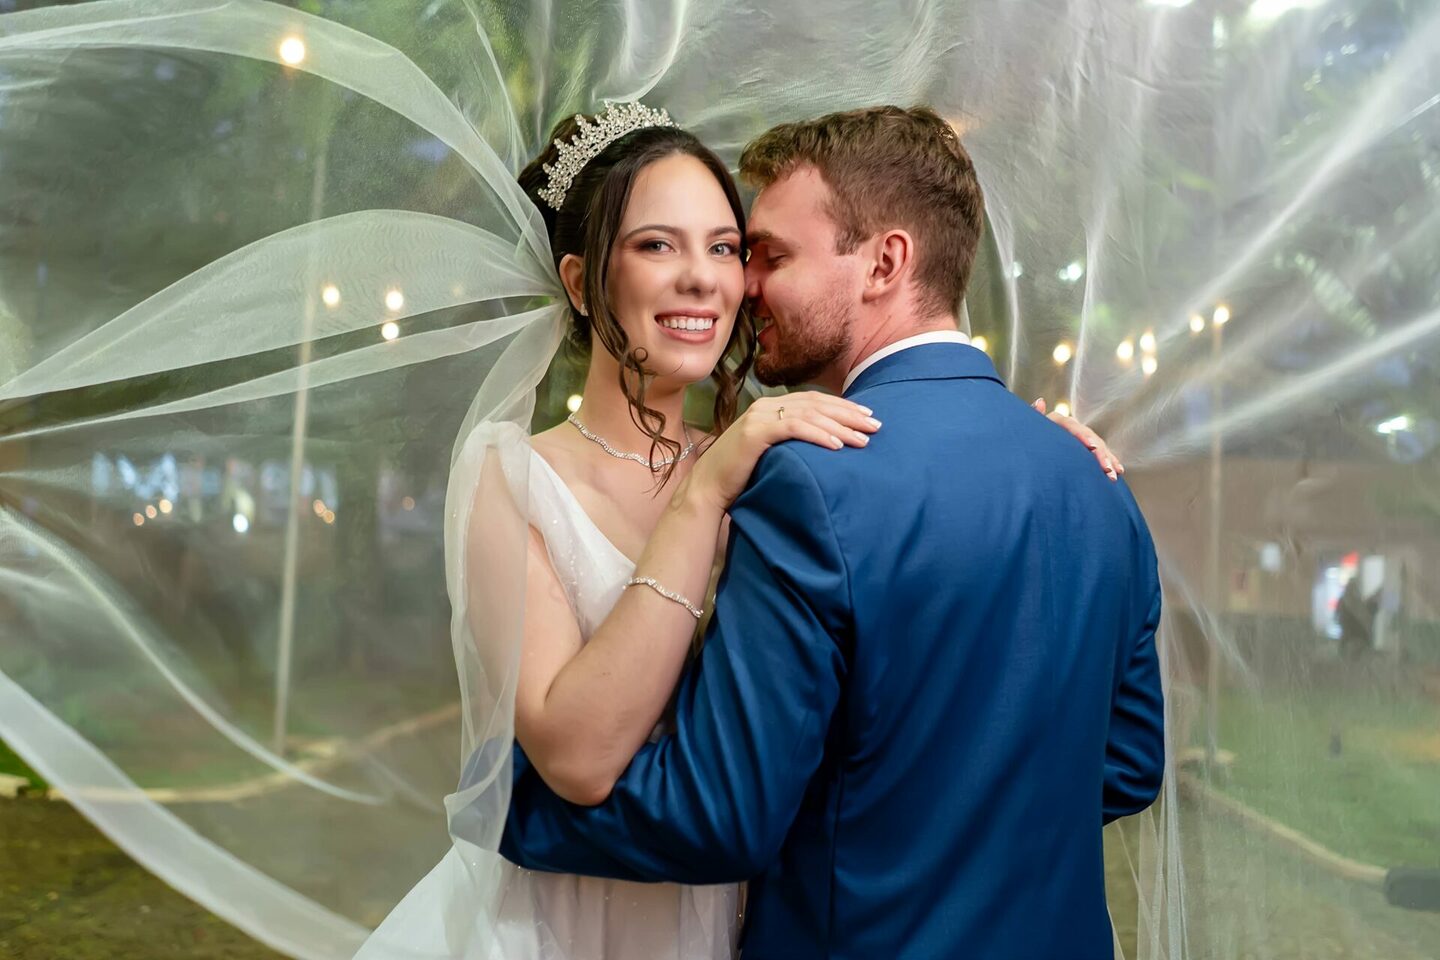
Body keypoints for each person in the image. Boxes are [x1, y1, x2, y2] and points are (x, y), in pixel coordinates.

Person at [358, 103, 1121, 959]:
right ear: (580, 282)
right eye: (658, 244)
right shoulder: (517, 475)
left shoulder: (787, 465)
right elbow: (574, 751)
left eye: (728, 248)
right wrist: (705, 492)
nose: (715, 280)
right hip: (568, 923)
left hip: (726, 915)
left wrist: (1031, 453)